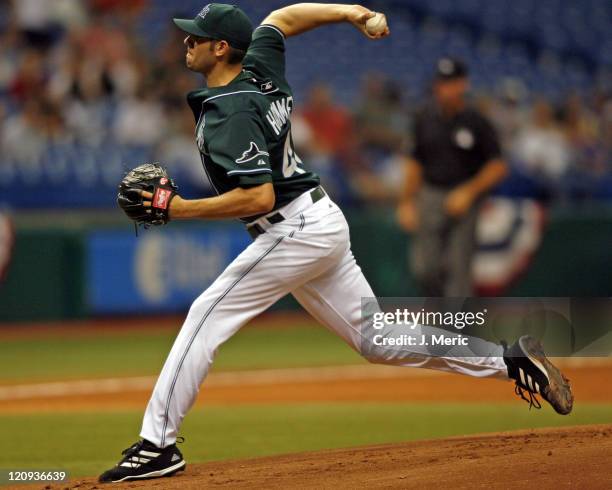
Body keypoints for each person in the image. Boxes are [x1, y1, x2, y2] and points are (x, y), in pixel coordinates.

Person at [99, 5, 572, 483]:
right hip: (316, 220)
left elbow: (258, 194)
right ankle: (510, 360)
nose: (187, 42)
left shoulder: (231, 110)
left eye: (196, 37)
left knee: (206, 313)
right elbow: (281, 19)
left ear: (221, 48)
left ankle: (157, 445)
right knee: (378, 340)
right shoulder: (259, 66)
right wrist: (352, 12)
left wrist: (178, 208)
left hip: (293, 228)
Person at [397, 58, 509, 297]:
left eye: (451, 82)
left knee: (459, 271)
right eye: (441, 82)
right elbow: (414, 162)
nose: (445, 88)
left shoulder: (476, 121)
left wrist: (469, 191)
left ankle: (458, 331)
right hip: (430, 195)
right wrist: (406, 202)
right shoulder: (423, 118)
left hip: (463, 198)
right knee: (425, 268)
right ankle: (441, 321)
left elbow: (498, 165)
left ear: (463, 84)